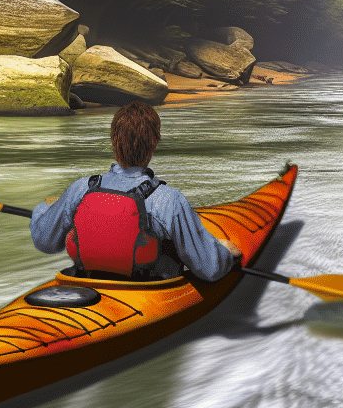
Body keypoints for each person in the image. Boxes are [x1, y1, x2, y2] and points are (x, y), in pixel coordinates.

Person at [30, 101, 241, 282]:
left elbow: (45, 241)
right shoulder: (168, 200)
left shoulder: (81, 189)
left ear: (113, 141)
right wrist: (225, 254)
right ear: (155, 143)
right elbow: (210, 269)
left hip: (89, 282)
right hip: (149, 290)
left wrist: (44, 209)